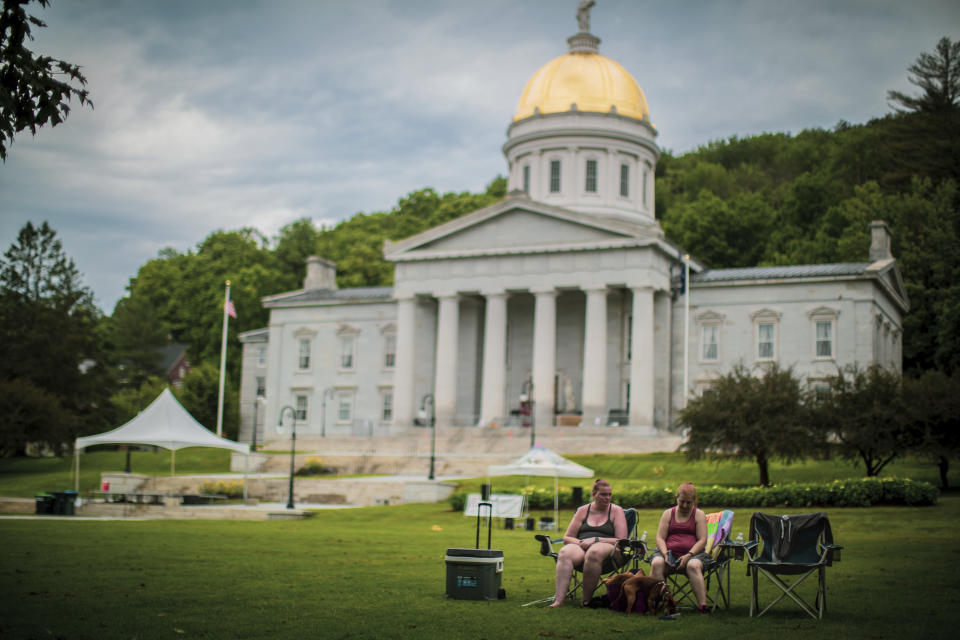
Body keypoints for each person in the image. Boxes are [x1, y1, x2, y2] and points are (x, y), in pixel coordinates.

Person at [548, 478, 628, 607]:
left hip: (609, 548)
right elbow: (567, 538)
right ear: (594, 494)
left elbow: (621, 540)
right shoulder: (583, 511)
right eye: (603, 494)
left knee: (594, 551)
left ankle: (586, 601)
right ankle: (559, 601)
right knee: (565, 552)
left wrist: (596, 540)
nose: (607, 498)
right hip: (582, 545)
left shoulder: (616, 511)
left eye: (609, 494)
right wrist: (581, 543)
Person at [648, 482, 712, 613]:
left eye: (689, 502)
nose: (684, 505)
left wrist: (688, 555)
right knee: (656, 563)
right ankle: (667, 602)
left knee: (693, 566)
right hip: (668, 553)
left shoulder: (698, 514)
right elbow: (660, 537)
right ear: (677, 498)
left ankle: (703, 606)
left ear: (694, 501)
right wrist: (665, 554)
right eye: (682, 501)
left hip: (694, 554)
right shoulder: (668, 514)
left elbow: (702, 540)